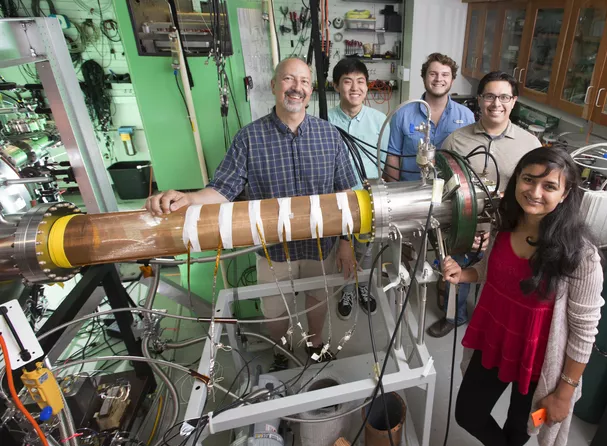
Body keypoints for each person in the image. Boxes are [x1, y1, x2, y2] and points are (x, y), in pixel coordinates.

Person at [144, 57, 358, 371]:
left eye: (303, 82)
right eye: (288, 79)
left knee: (318, 298)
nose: (296, 88)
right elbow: (221, 190)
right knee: (275, 312)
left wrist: (346, 242)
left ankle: (315, 346)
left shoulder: (329, 136)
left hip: (320, 245)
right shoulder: (249, 138)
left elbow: (347, 196)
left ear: (311, 90)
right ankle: (282, 353)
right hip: (272, 250)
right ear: (274, 85)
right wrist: (187, 199)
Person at [442, 147, 604, 446]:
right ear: (517, 180)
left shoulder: (581, 255)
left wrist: (563, 394)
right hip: (495, 340)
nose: (535, 192)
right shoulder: (505, 223)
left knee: (526, 422)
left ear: (566, 192)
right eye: (528, 180)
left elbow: (585, 333)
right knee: (468, 413)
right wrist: (465, 275)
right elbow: (492, 272)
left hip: (541, 361)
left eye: (549, 186)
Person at [428, 71, 541, 338]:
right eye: (489, 96)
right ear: (479, 100)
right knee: (457, 276)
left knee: (500, 281)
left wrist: (500, 227)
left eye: (504, 97)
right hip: (462, 226)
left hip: (508, 231)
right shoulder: (456, 140)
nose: (496, 103)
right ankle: (454, 317)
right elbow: (440, 185)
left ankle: (490, 323)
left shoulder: (530, 145)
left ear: (514, 101)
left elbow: (534, 196)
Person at [328, 57, 389, 320]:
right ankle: (346, 290)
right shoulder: (322, 120)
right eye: (348, 81)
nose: (355, 87)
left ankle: (363, 287)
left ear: (368, 85)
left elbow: (385, 161)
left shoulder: (380, 120)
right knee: (340, 250)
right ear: (336, 86)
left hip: (369, 199)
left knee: (365, 250)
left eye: (360, 81)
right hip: (334, 199)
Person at [385, 52, 474, 182]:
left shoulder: (466, 116)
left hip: (451, 192)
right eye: (433, 74)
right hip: (410, 190)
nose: (439, 79)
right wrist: (395, 190)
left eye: (445, 75)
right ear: (424, 77)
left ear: (452, 80)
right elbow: (393, 154)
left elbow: (469, 158)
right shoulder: (402, 113)